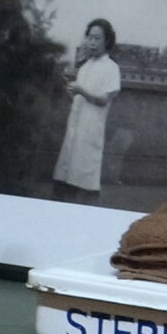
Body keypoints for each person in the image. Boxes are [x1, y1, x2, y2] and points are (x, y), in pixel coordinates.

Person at [51, 19, 121, 199]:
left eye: (97, 39)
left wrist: (81, 90)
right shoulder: (85, 67)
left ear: (107, 41)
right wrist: (72, 93)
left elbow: (104, 99)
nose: (92, 43)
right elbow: (79, 98)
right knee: (67, 173)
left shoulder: (111, 68)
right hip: (76, 125)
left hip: (91, 128)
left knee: (85, 175)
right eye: (90, 38)